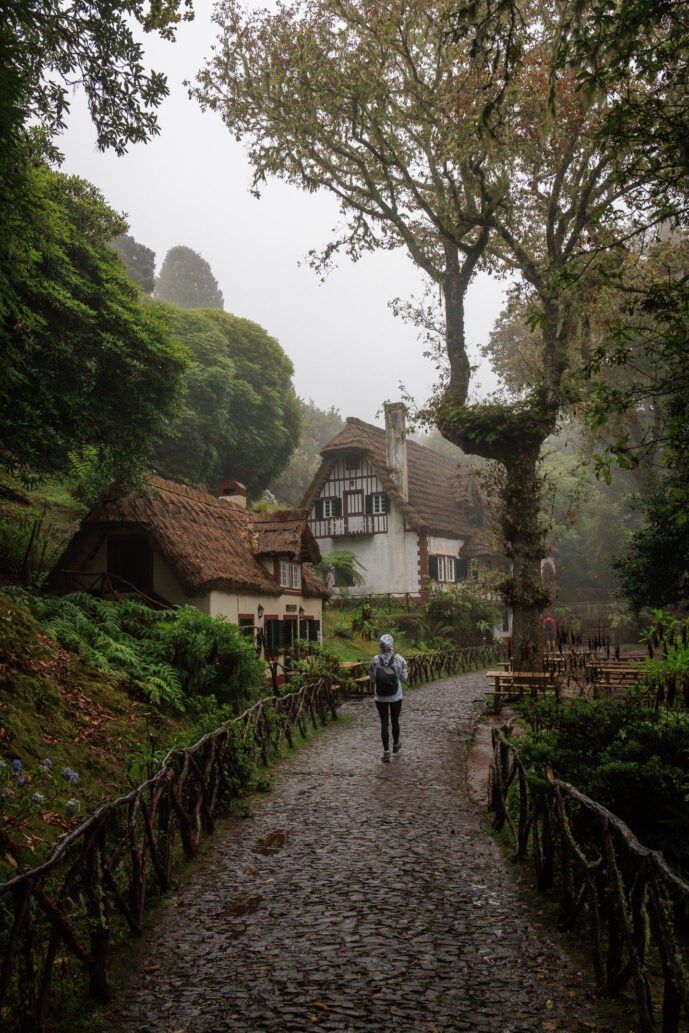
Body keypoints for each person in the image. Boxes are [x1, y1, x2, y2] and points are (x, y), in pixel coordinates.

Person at [369, 633, 408, 763]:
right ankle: (396, 744)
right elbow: (404, 677)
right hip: (396, 696)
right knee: (395, 720)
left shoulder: (374, 660)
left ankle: (386, 751)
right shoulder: (399, 659)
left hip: (380, 697)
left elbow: (372, 679)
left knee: (384, 723)